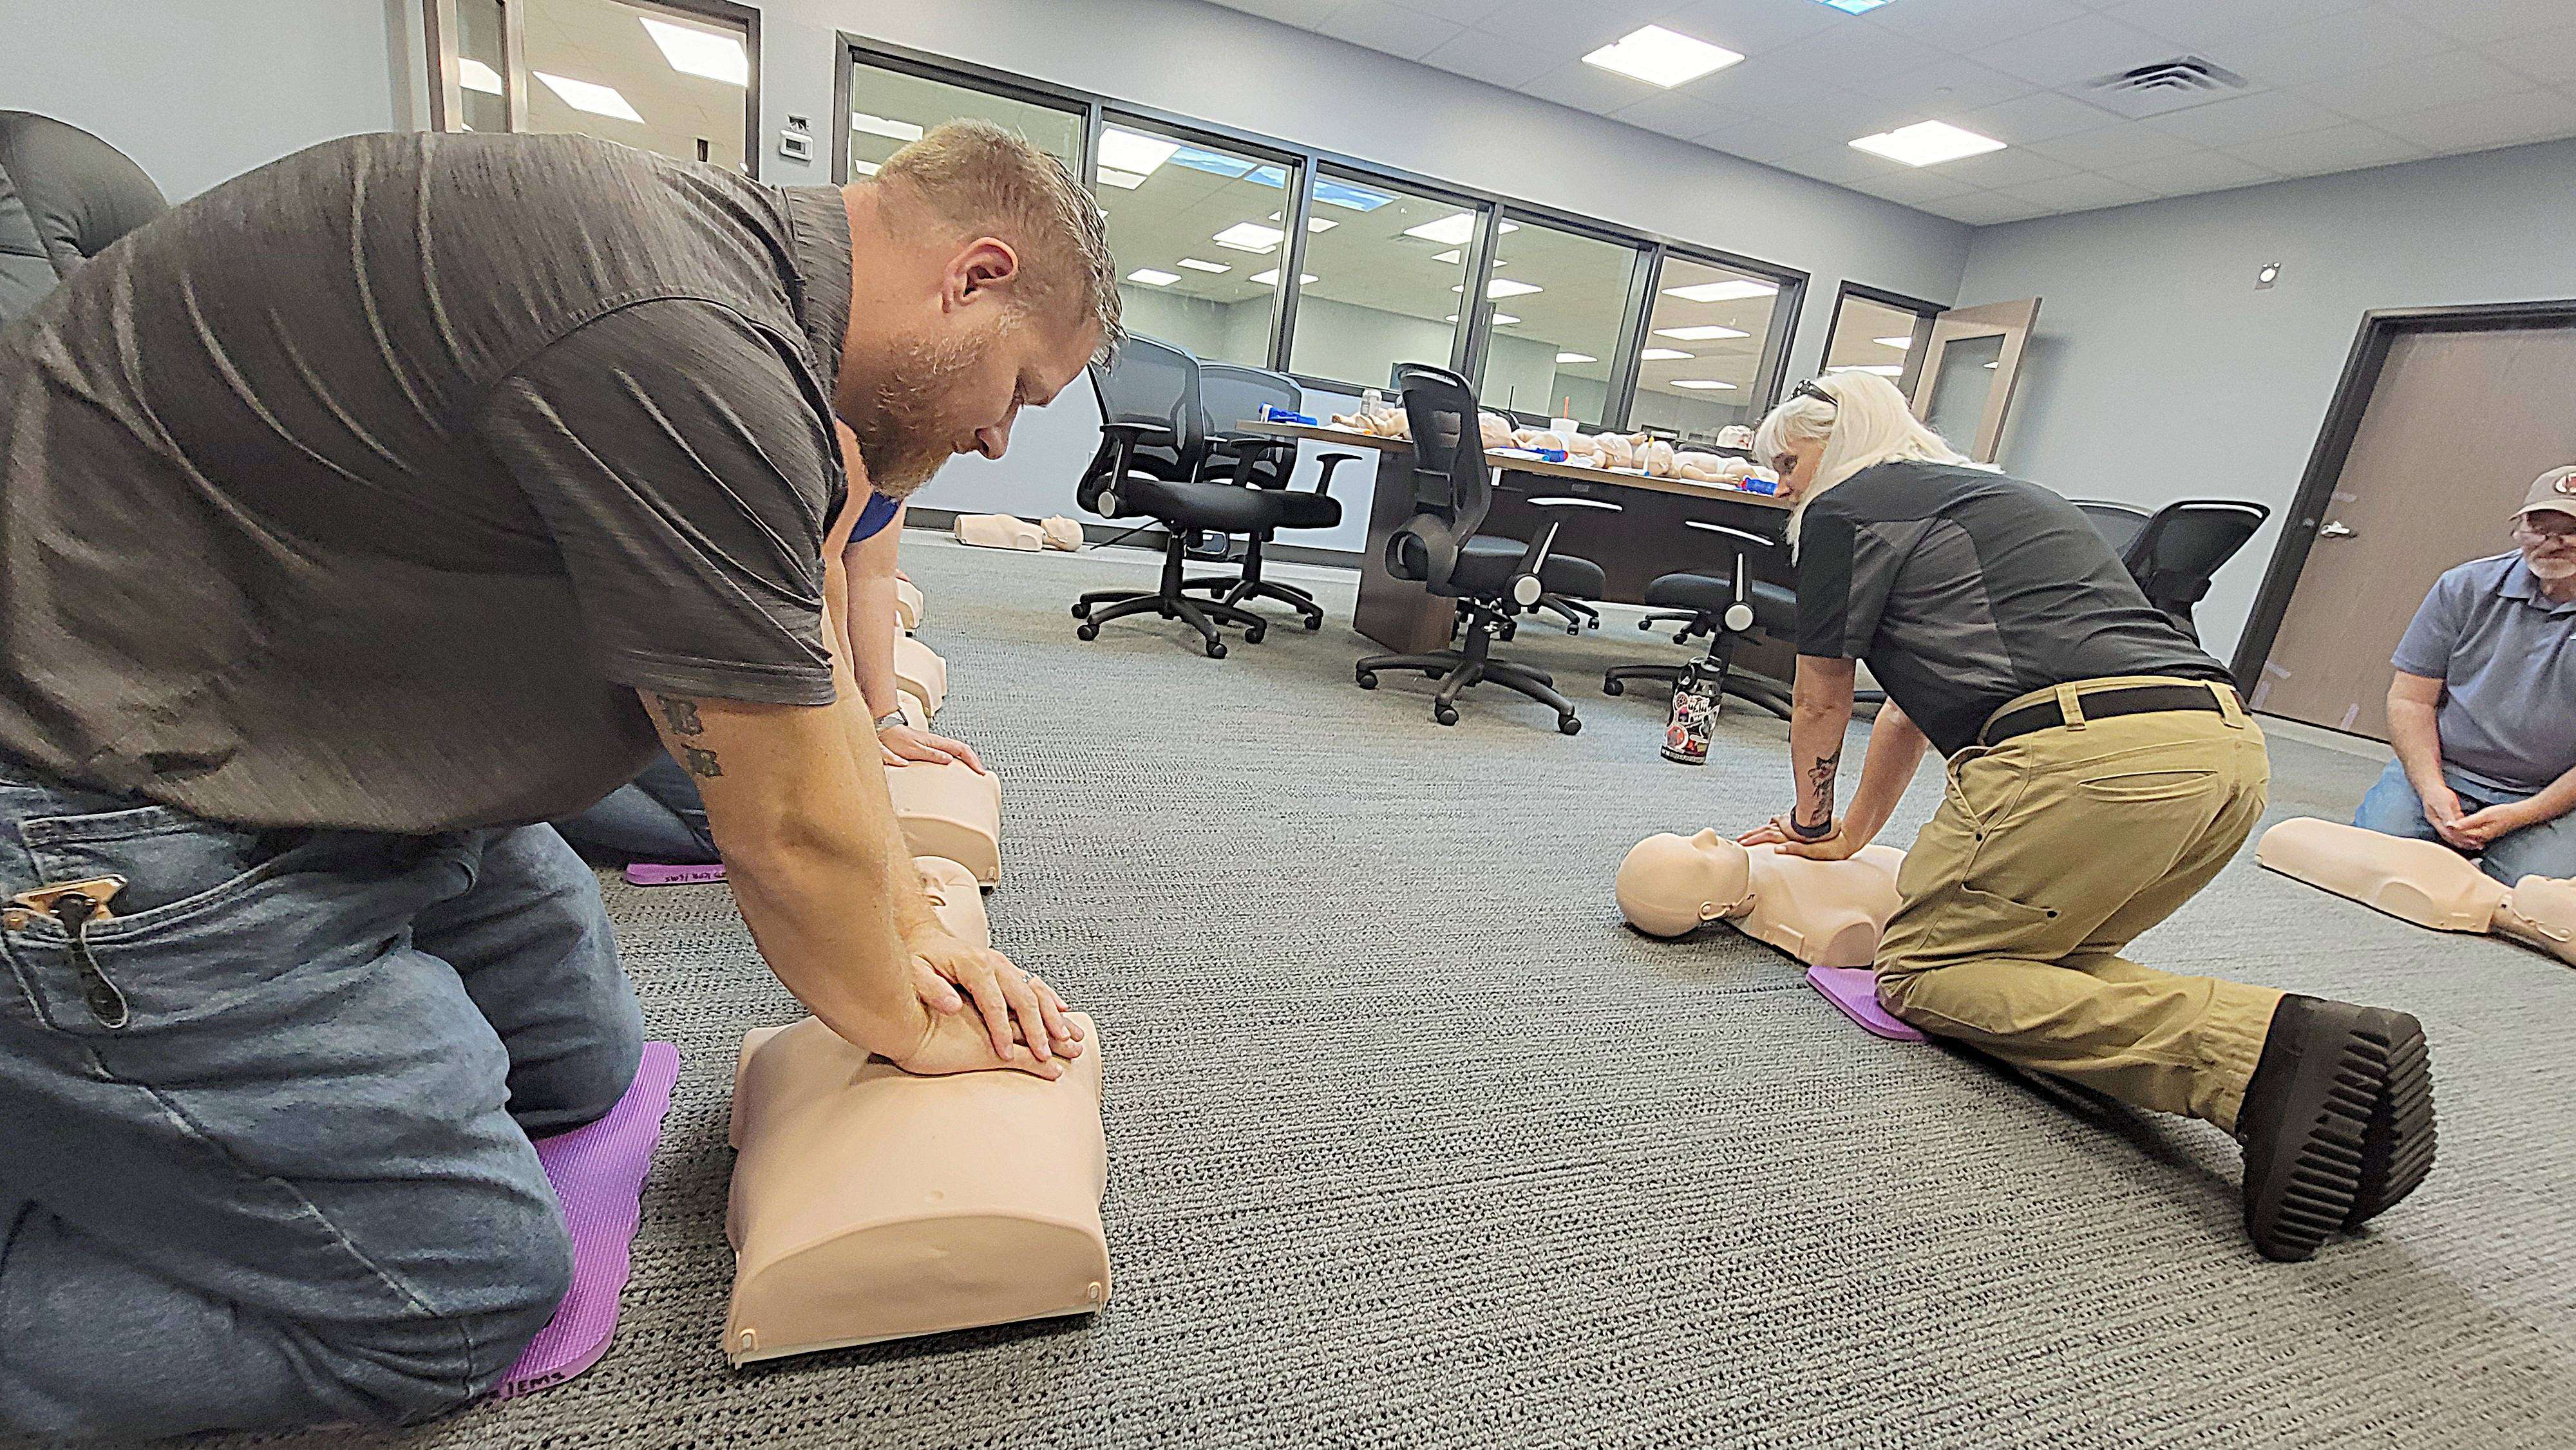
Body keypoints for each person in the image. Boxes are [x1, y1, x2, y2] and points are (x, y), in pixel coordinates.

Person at [0, 120, 1110, 1438]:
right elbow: (785, 831)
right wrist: (912, 1019)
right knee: (455, 1292)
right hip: (88, 791)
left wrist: (917, 924)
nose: (997, 438)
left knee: (578, 1068)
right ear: (973, 278)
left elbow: (806, 686)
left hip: (299, 730)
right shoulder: (686, 338)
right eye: (1022, 390)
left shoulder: (727, 292)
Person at [1735, 372, 2434, 1263]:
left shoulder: (1846, 510)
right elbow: (1911, 707)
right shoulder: (2007, 495)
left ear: (1837, 447)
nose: (1782, 487)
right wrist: (1857, 835)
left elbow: (1820, 695)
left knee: (1926, 973)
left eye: (1787, 465)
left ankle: (2264, 1051)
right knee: (2032, 966)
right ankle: (2342, 1088)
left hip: (2089, 766)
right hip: (2224, 757)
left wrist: (1805, 824)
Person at [554, 434, 985, 866]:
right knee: (741, 830)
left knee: (770, 816)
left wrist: (885, 718)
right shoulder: (851, 437)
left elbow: (872, 574)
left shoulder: (909, 454)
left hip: (716, 639)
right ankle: (513, 794)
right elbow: (826, 574)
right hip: (655, 636)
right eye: (1016, 395)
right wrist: (848, 734)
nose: (996, 444)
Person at [2352, 467, 2576, 885]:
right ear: (2518, 529)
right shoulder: (2464, 587)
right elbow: (2411, 700)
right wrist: (2432, 789)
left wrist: (2523, 815)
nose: (2554, 543)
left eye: (2572, 530)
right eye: (2539, 526)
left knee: (2535, 892)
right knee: (2371, 864)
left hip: (2552, 793)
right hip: (2447, 769)